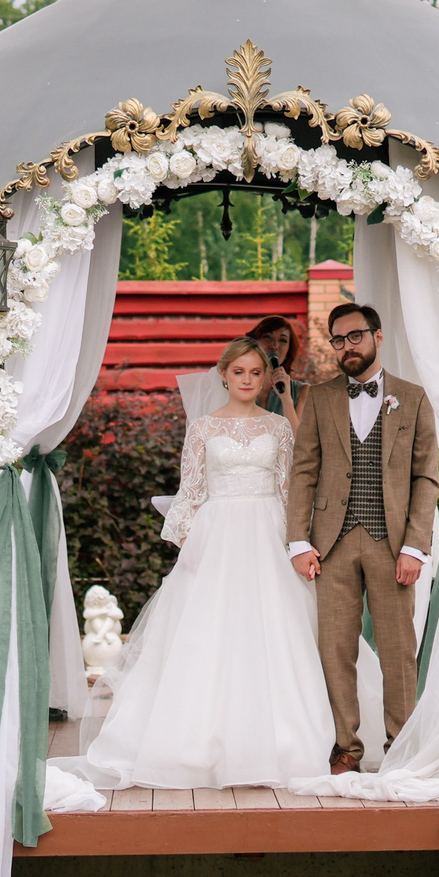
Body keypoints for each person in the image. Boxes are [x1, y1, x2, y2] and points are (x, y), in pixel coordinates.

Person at [67, 337, 334, 788]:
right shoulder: (205, 428)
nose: (248, 380)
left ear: (267, 378)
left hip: (268, 533)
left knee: (272, 631)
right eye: (239, 372)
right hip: (218, 538)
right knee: (210, 632)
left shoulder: (279, 428)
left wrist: (298, 542)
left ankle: (283, 742)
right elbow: (190, 493)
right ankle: (195, 743)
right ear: (224, 375)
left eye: (256, 373)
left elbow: (291, 491)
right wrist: (190, 545)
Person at [288, 302, 439, 775]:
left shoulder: (413, 398)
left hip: (392, 543)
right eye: (338, 340)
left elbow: (426, 478)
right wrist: (298, 540)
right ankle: (345, 748)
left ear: (377, 336)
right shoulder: (320, 397)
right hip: (330, 543)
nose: (346, 347)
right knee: (335, 648)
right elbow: (304, 472)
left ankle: (401, 748)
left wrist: (416, 546)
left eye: (355, 336)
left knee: (398, 650)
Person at [243, 314, 307, 421]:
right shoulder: (237, 386)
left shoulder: (302, 392)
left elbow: (298, 437)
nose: (274, 345)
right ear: (253, 343)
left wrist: (286, 399)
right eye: (267, 337)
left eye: (282, 340)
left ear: (288, 351)